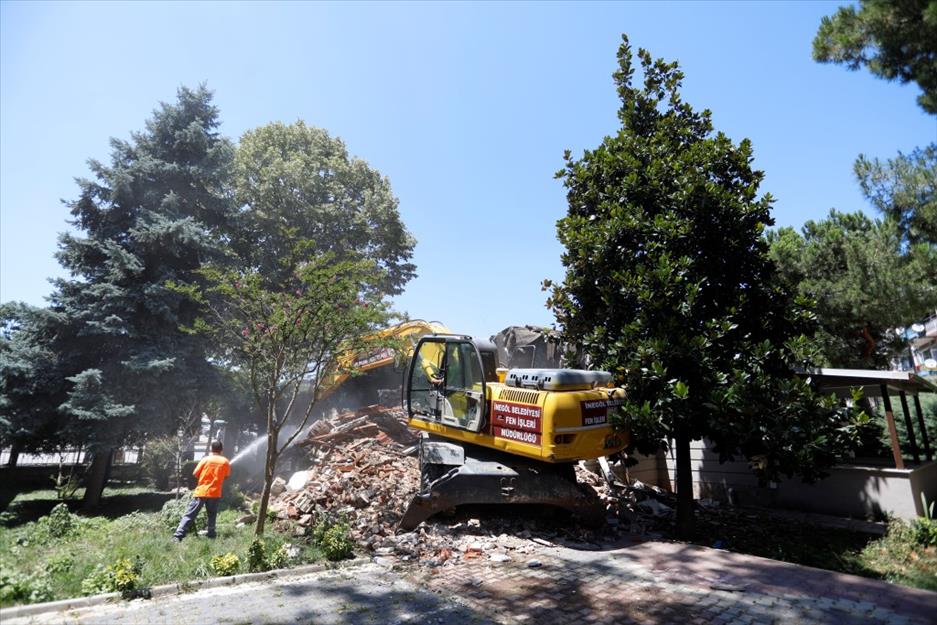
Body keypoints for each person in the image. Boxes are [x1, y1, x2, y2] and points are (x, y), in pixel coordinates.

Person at [172, 439, 231, 542]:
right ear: (221, 450)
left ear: (211, 449)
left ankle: (178, 536)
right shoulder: (225, 462)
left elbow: (195, 473)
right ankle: (211, 534)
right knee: (212, 515)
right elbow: (226, 476)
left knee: (190, 514)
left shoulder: (205, 460)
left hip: (201, 492)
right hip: (215, 492)